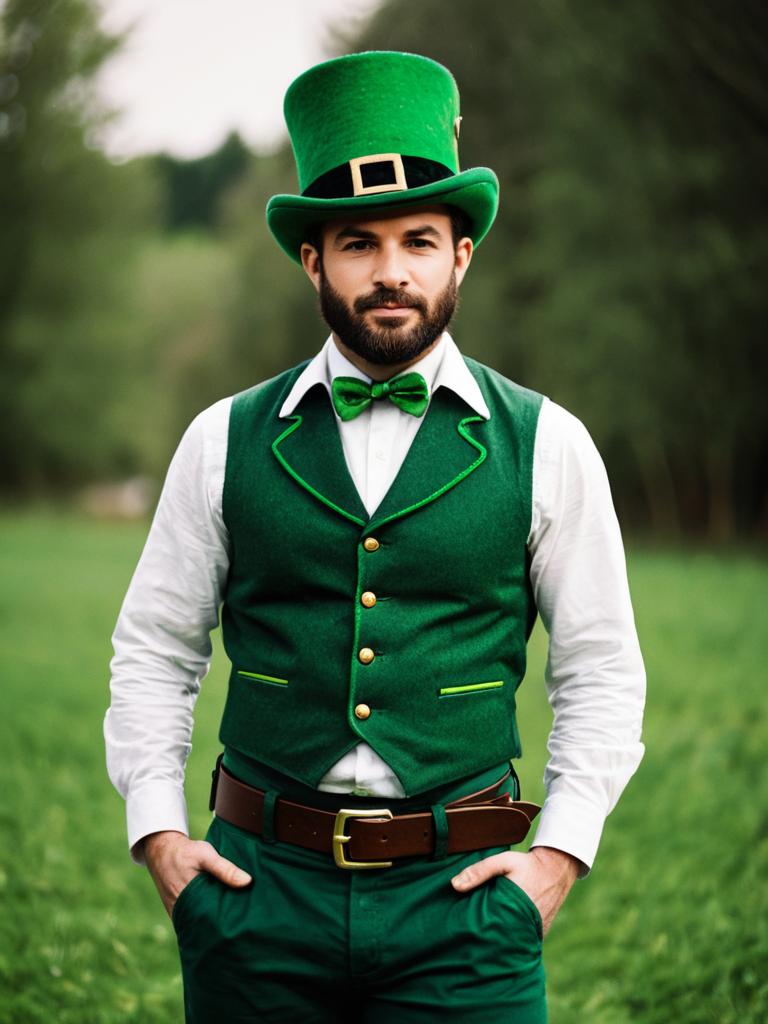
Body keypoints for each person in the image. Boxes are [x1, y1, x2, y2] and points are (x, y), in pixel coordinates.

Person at [105, 50, 645, 1023]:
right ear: (313, 260)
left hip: (468, 908)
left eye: (419, 241)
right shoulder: (220, 441)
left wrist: (558, 859)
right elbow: (153, 648)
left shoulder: (549, 443)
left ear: (461, 254)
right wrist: (158, 838)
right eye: (359, 242)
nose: (391, 272)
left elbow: (602, 667)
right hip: (255, 897)